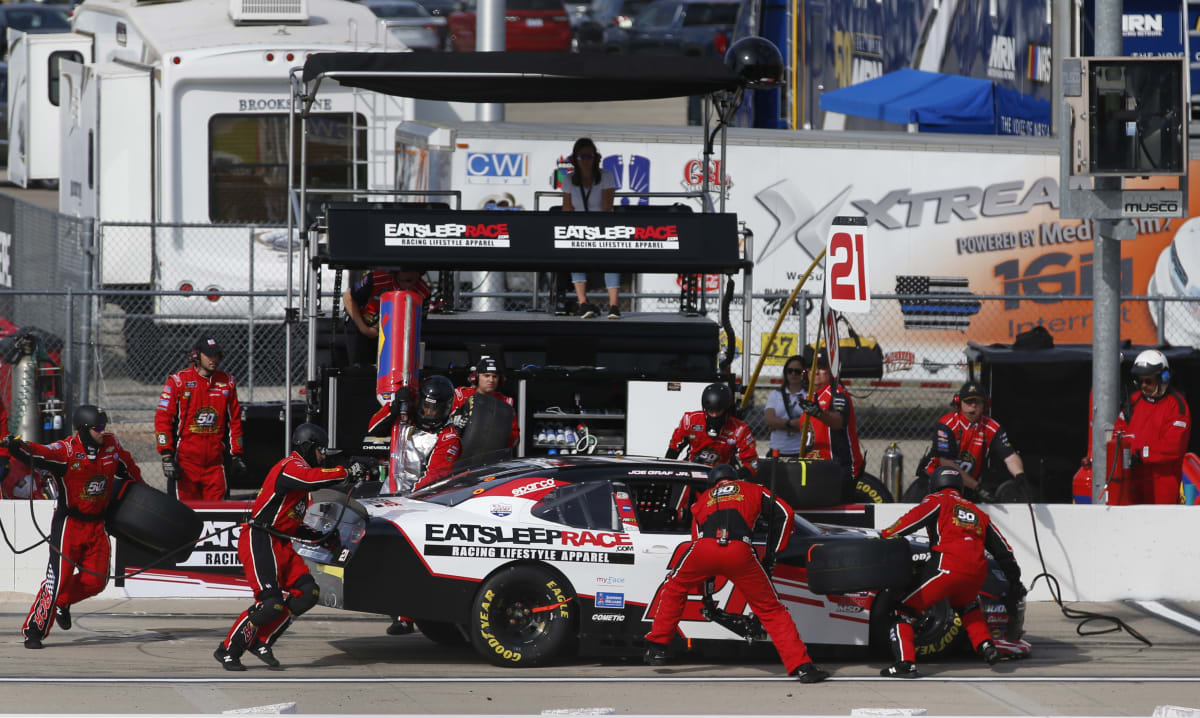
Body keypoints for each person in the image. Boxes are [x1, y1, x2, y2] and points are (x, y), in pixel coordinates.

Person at [642, 464, 829, 683]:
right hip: (740, 550)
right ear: (734, 478)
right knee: (771, 609)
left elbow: (696, 538)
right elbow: (786, 515)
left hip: (703, 548)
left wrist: (708, 590)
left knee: (674, 587)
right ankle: (803, 667)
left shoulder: (701, 501)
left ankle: (658, 646)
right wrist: (774, 553)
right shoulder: (753, 488)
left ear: (713, 483)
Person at [215, 423, 363, 670]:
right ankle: (229, 649)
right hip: (259, 538)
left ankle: (262, 640)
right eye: (320, 450)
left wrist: (325, 538)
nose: (323, 456)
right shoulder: (291, 466)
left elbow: (293, 523)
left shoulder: (301, 487)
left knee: (308, 593)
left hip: (280, 541)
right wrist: (345, 472)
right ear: (307, 447)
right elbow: (310, 479)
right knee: (270, 602)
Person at [4, 405, 144, 649]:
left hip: (97, 525)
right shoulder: (66, 451)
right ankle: (34, 629)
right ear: (85, 429)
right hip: (69, 525)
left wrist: (143, 491)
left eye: (104, 426)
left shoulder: (111, 445)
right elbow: (38, 451)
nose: (103, 431)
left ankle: (62, 602)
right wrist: (16, 446)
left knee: (97, 581)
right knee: (57, 580)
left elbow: (129, 467)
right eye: (98, 427)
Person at [878, 465, 1025, 678]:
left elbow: (911, 520)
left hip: (947, 566)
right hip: (977, 572)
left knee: (902, 610)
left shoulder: (937, 500)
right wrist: (1015, 580)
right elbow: (1004, 550)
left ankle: (905, 664)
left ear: (935, 484)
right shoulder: (978, 512)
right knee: (967, 606)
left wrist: (886, 535)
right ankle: (986, 646)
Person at [155, 335, 246, 501]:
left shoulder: (227, 382)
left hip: (215, 465)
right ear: (197, 356)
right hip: (185, 465)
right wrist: (166, 455)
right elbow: (163, 419)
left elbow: (235, 420)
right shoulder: (178, 381)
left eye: (216, 355)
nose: (214, 359)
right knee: (183, 516)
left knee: (218, 516)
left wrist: (236, 455)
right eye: (209, 355)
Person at [1110, 349, 1192, 505]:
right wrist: (1125, 453)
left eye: (1148, 381)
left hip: (1162, 485)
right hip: (1132, 480)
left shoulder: (1177, 406)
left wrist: (1141, 454)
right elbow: (1117, 434)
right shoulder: (1132, 403)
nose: (1143, 385)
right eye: (1140, 381)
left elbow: (1173, 447)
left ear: (1164, 378)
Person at [923, 381, 1026, 500]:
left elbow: (1009, 456)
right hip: (934, 483)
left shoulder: (992, 428)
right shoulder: (946, 425)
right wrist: (977, 487)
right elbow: (946, 463)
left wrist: (1019, 475)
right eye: (968, 401)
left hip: (967, 486)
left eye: (977, 401)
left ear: (985, 404)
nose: (973, 406)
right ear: (958, 402)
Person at [368, 375, 463, 496]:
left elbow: (434, 478)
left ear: (446, 408)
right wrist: (394, 406)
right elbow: (373, 429)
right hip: (389, 490)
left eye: (435, 409)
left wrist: (406, 498)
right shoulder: (406, 413)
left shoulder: (449, 438)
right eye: (426, 406)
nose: (428, 413)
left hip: (420, 499)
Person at [558, 137, 621, 320]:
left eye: (589, 156)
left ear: (596, 158)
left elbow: (607, 206)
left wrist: (591, 180)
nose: (585, 161)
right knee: (575, 257)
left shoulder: (606, 176)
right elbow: (566, 208)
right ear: (574, 159)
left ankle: (614, 306)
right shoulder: (569, 179)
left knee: (611, 261)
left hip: (603, 226)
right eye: (581, 157)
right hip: (580, 227)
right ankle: (582, 302)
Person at [665, 383, 759, 479]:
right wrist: (666, 473)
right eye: (711, 411)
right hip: (691, 474)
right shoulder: (690, 420)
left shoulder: (739, 429)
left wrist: (732, 476)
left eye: (718, 411)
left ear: (726, 409)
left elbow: (753, 464)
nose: (714, 415)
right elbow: (674, 448)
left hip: (720, 478)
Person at [798, 349, 864, 481]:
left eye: (821, 368)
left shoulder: (837, 393)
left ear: (831, 370)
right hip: (816, 467)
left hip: (838, 469)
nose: (816, 372)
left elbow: (838, 421)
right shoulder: (810, 396)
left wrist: (819, 413)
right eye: (812, 368)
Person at [342, 269, 431, 366]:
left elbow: (418, 322)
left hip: (395, 332)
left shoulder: (423, 291)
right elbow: (348, 297)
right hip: (362, 323)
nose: (407, 286)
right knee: (362, 367)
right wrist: (364, 329)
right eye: (404, 280)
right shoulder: (377, 279)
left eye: (411, 280)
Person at [450, 354, 520, 449]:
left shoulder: (506, 403)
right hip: (460, 451)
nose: (491, 380)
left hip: (491, 452)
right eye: (486, 375)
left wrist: (501, 433)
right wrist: (453, 421)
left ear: (500, 380)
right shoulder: (460, 395)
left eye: (494, 376)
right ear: (476, 377)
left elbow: (515, 438)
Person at [763, 354, 807, 458]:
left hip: (801, 451)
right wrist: (791, 424)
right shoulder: (775, 394)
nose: (793, 374)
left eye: (797, 371)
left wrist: (779, 424)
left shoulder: (809, 395)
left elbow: (808, 423)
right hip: (777, 451)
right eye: (789, 370)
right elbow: (769, 420)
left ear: (804, 374)